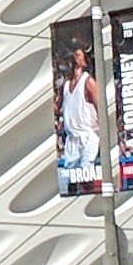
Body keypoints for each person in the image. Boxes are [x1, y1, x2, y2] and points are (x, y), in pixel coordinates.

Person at [55, 41, 104, 191]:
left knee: (85, 174)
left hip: (87, 135)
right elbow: (57, 108)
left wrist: (102, 134)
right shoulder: (65, 84)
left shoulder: (88, 81)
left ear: (84, 60)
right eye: (73, 55)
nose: (74, 58)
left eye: (78, 55)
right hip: (71, 139)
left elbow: (99, 107)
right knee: (71, 182)